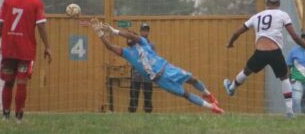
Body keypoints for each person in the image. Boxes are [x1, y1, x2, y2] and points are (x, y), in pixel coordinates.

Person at [90, 18, 224, 114]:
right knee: (186, 94)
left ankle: (208, 94)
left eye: (131, 35)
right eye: (127, 37)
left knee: (192, 79)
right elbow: (109, 47)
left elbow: (131, 35)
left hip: (168, 68)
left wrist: (113, 30)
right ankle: (212, 107)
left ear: (135, 36)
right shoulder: (127, 53)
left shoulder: (143, 42)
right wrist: (100, 33)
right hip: (160, 80)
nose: (129, 37)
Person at [223, 0, 305, 117]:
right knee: (285, 78)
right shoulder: (282, 14)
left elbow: (238, 31)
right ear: (279, 4)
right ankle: (289, 111)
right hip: (275, 52)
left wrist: (230, 43)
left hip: (260, 52)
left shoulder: (257, 16)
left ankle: (232, 88)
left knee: (246, 71)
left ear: (266, 3)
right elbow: (294, 36)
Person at [0, 0, 52, 122]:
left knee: (8, 81)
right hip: (26, 49)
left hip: (9, 47)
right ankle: (19, 117)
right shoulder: (36, 3)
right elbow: (41, 26)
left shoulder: (8, 0)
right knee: (21, 82)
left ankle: (5, 115)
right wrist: (48, 46)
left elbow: (0, 23)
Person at [128, 23, 154, 113]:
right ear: (140, 31)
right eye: (143, 30)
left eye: (146, 30)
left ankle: (148, 114)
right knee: (134, 96)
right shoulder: (135, 43)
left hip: (147, 74)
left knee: (148, 96)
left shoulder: (151, 45)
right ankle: (132, 114)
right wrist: (132, 35)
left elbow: (154, 59)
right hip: (136, 74)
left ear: (148, 32)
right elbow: (128, 42)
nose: (145, 32)